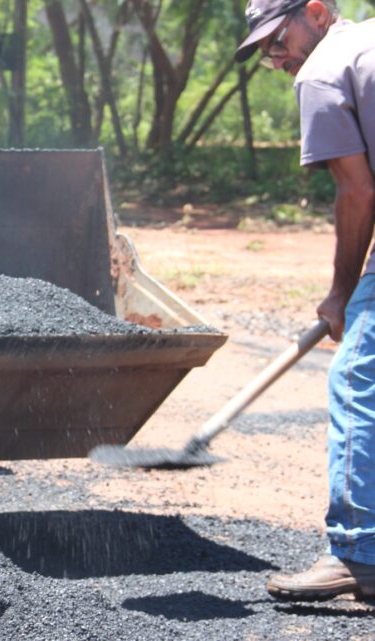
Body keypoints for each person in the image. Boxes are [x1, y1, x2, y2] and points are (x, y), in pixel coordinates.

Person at [234, 0, 375, 602]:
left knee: (357, 378)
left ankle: (359, 552)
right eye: (264, 51)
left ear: (316, 13)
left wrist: (341, 293)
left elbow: (357, 192)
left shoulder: (323, 70)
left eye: (278, 41)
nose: (275, 59)